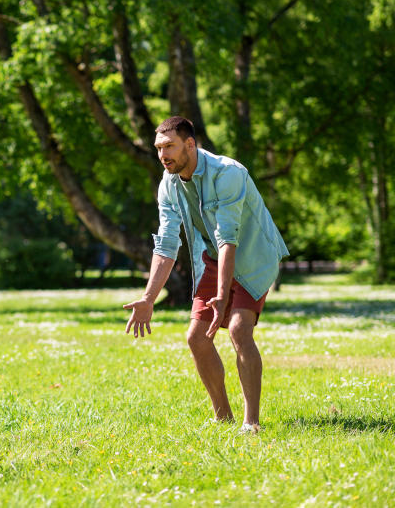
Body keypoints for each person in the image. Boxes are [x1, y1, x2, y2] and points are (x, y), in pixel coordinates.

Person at [123, 116, 288, 433]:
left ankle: (250, 423)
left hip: (252, 255)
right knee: (196, 337)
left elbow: (230, 237)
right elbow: (168, 244)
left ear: (189, 144)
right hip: (215, 257)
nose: (163, 155)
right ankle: (222, 416)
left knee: (239, 329)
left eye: (169, 146)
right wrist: (148, 298)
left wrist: (223, 296)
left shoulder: (228, 173)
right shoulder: (168, 185)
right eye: (158, 148)